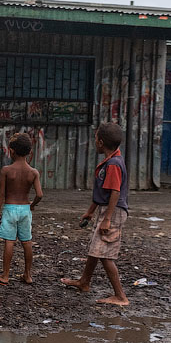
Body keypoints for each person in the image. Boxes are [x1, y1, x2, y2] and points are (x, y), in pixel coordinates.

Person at [60, 122, 130, 306]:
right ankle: (84, 282)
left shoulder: (114, 164)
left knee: (105, 254)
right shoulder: (110, 161)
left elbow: (114, 192)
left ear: (100, 142)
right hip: (106, 210)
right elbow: (103, 192)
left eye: (95, 139)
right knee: (95, 249)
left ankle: (120, 296)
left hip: (112, 212)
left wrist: (107, 219)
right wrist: (90, 212)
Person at [0, 132, 43, 286]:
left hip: (10, 209)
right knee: (27, 242)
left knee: (9, 241)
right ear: (30, 152)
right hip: (25, 209)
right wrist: (32, 205)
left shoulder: (6, 170)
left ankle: (5, 275)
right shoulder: (33, 172)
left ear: (11, 151)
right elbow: (39, 194)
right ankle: (27, 274)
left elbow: (1, 193)